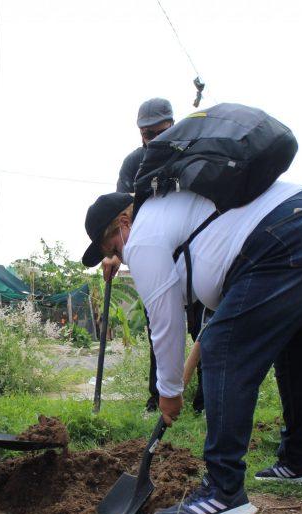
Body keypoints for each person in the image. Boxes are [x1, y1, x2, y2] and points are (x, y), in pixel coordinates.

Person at [82, 182, 302, 514]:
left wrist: (169, 392)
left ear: (123, 223)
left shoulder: (143, 236)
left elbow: (165, 320)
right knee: (301, 351)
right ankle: (298, 460)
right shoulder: (176, 209)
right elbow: (221, 269)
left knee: (223, 351)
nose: (120, 257)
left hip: (283, 235)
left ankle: (223, 491)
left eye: (112, 248)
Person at [110, 98, 205, 413]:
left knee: (204, 329)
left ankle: (204, 401)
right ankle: (159, 396)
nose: (152, 139)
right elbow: (122, 210)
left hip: (197, 253)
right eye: (146, 133)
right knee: (160, 325)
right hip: (153, 252)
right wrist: (115, 253)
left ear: (173, 127)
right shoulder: (133, 164)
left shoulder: (192, 156)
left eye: (160, 132)